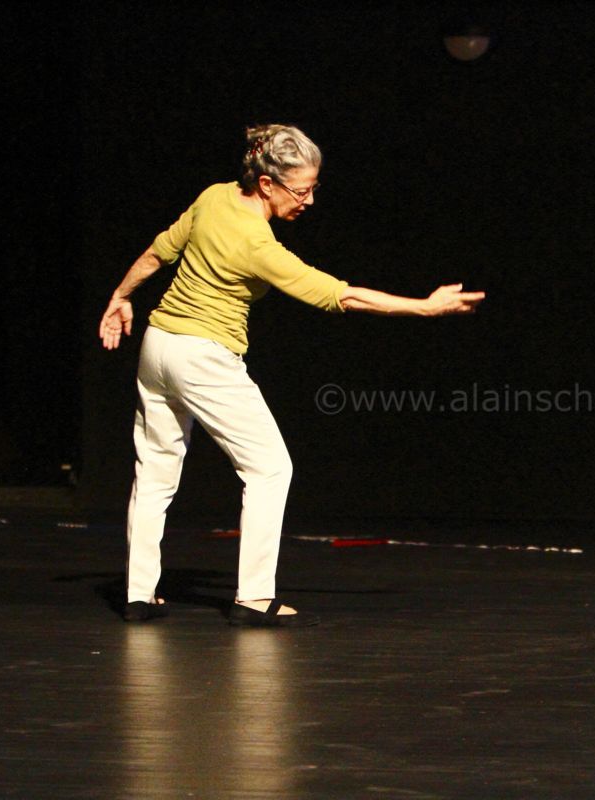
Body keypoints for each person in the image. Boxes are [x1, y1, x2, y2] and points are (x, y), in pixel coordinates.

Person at [99, 124, 485, 627]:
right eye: (300, 191)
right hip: (202, 355)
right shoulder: (258, 244)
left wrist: (120, 297)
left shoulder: (213, 197)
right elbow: (340, 295)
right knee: (269, 469)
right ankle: (255, 598)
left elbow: (158, 252)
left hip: (159, 344)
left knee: (154, 470)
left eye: (313, 188)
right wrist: (425, 308)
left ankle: (138, 593)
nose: (309, 201)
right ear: (266, 184)